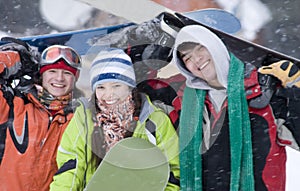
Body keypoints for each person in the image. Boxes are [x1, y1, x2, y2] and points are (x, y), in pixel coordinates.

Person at [172, 25, 300, 191]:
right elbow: (134, 94)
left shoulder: (262, 91)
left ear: (214, 45)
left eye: (200, 48)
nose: (196, 59)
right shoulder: (181, 101)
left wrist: (296, 91)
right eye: (187, 57)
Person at [50, 48, 180, 191]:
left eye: (116, 86)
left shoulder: (153, 120)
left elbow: (172, 173)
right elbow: (71, 166)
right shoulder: (84, 119)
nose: (109, 95)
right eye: (101, 87)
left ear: (129, 87)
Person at [0, 41, 82, 191]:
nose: (59, 78)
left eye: (67, 73)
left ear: (75, 79)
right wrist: (14, 57)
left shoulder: (79, 119)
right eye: (52, 71)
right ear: (41, 75)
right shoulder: (15, 104)